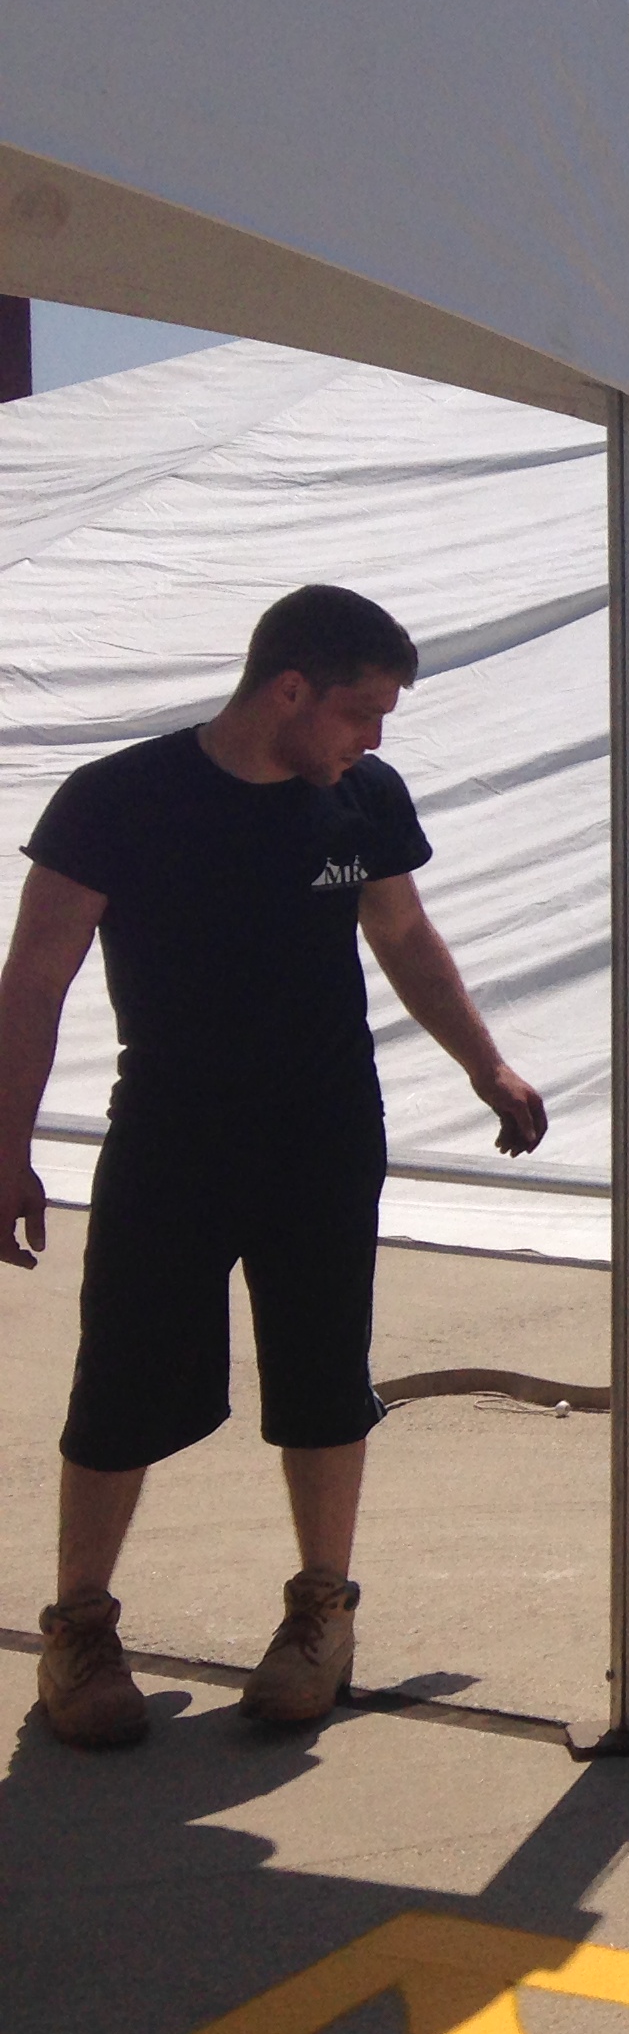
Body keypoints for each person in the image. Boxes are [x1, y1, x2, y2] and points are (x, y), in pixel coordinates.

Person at [3, 587, 548, 1750]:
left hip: (324, 1130)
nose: (375, 737)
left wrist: (486, 1064)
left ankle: (320, 1617)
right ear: (289, 690)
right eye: (361, 711)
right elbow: (35, 980)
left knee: (323, 1372)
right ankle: (79, 1631)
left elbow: (402, 935)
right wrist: (6, 1148)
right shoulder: (117, 799)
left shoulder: (363, 798)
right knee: (123, 1378)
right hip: (171, 1134)